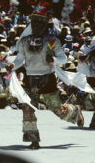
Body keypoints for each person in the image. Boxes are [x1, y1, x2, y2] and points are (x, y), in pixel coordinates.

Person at [9, 13, 84, 149]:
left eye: (40, 25)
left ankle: (75, 111)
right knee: (27, 108)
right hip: (29, 79)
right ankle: (34, 140)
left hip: (47, 79)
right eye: (34, 24)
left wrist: (54, 60)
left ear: (45, 27)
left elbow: (64, 59)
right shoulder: (25, 41)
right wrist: (12, 66)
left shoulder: (52, 41)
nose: (37, 27)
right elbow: (20, 59)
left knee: (57, 109)